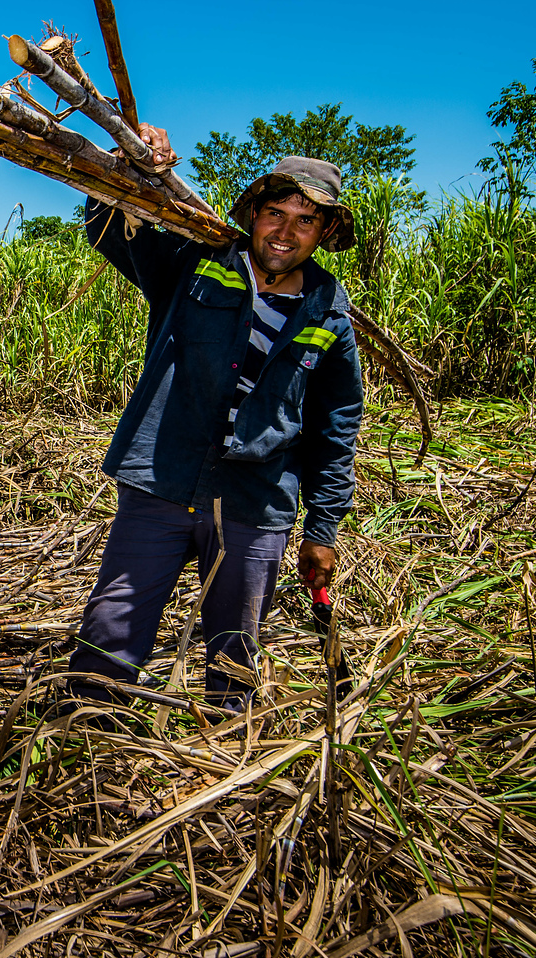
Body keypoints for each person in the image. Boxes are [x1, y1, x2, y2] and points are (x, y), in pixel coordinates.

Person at [70, 127, 363, 713]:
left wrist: (322, 530)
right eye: (275, 213)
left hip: (255, 500)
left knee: (234, 649)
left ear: (325, 232)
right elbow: (110, 228)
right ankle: (87, 740)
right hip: (162, 479)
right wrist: (132, 163)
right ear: (253, 213)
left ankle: (224, 762)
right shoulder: (194, 265)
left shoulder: (329, 314)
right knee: (111, 630)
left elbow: (335, 429)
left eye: (305, 221)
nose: (285, 232)